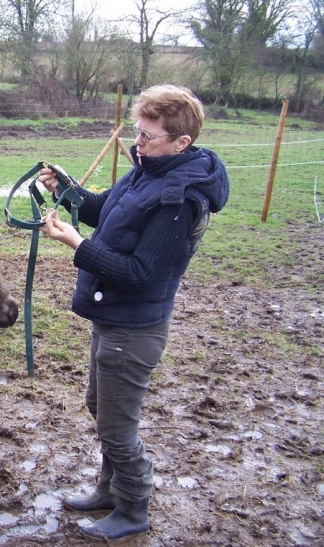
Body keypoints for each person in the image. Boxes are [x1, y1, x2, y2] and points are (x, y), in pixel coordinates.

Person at [37, 84, 229, 541]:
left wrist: (76, 244)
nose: (137, 145)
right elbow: (106, 210)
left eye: (147, 137)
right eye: (137, 134)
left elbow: (140, 273)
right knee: (99, 406)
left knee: (117, 428)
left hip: (135, 326)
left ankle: (133, 507)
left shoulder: (179, 199)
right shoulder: (148, 170)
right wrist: (67, 188)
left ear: (181, 142)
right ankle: (109, 488)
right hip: (112, 318)